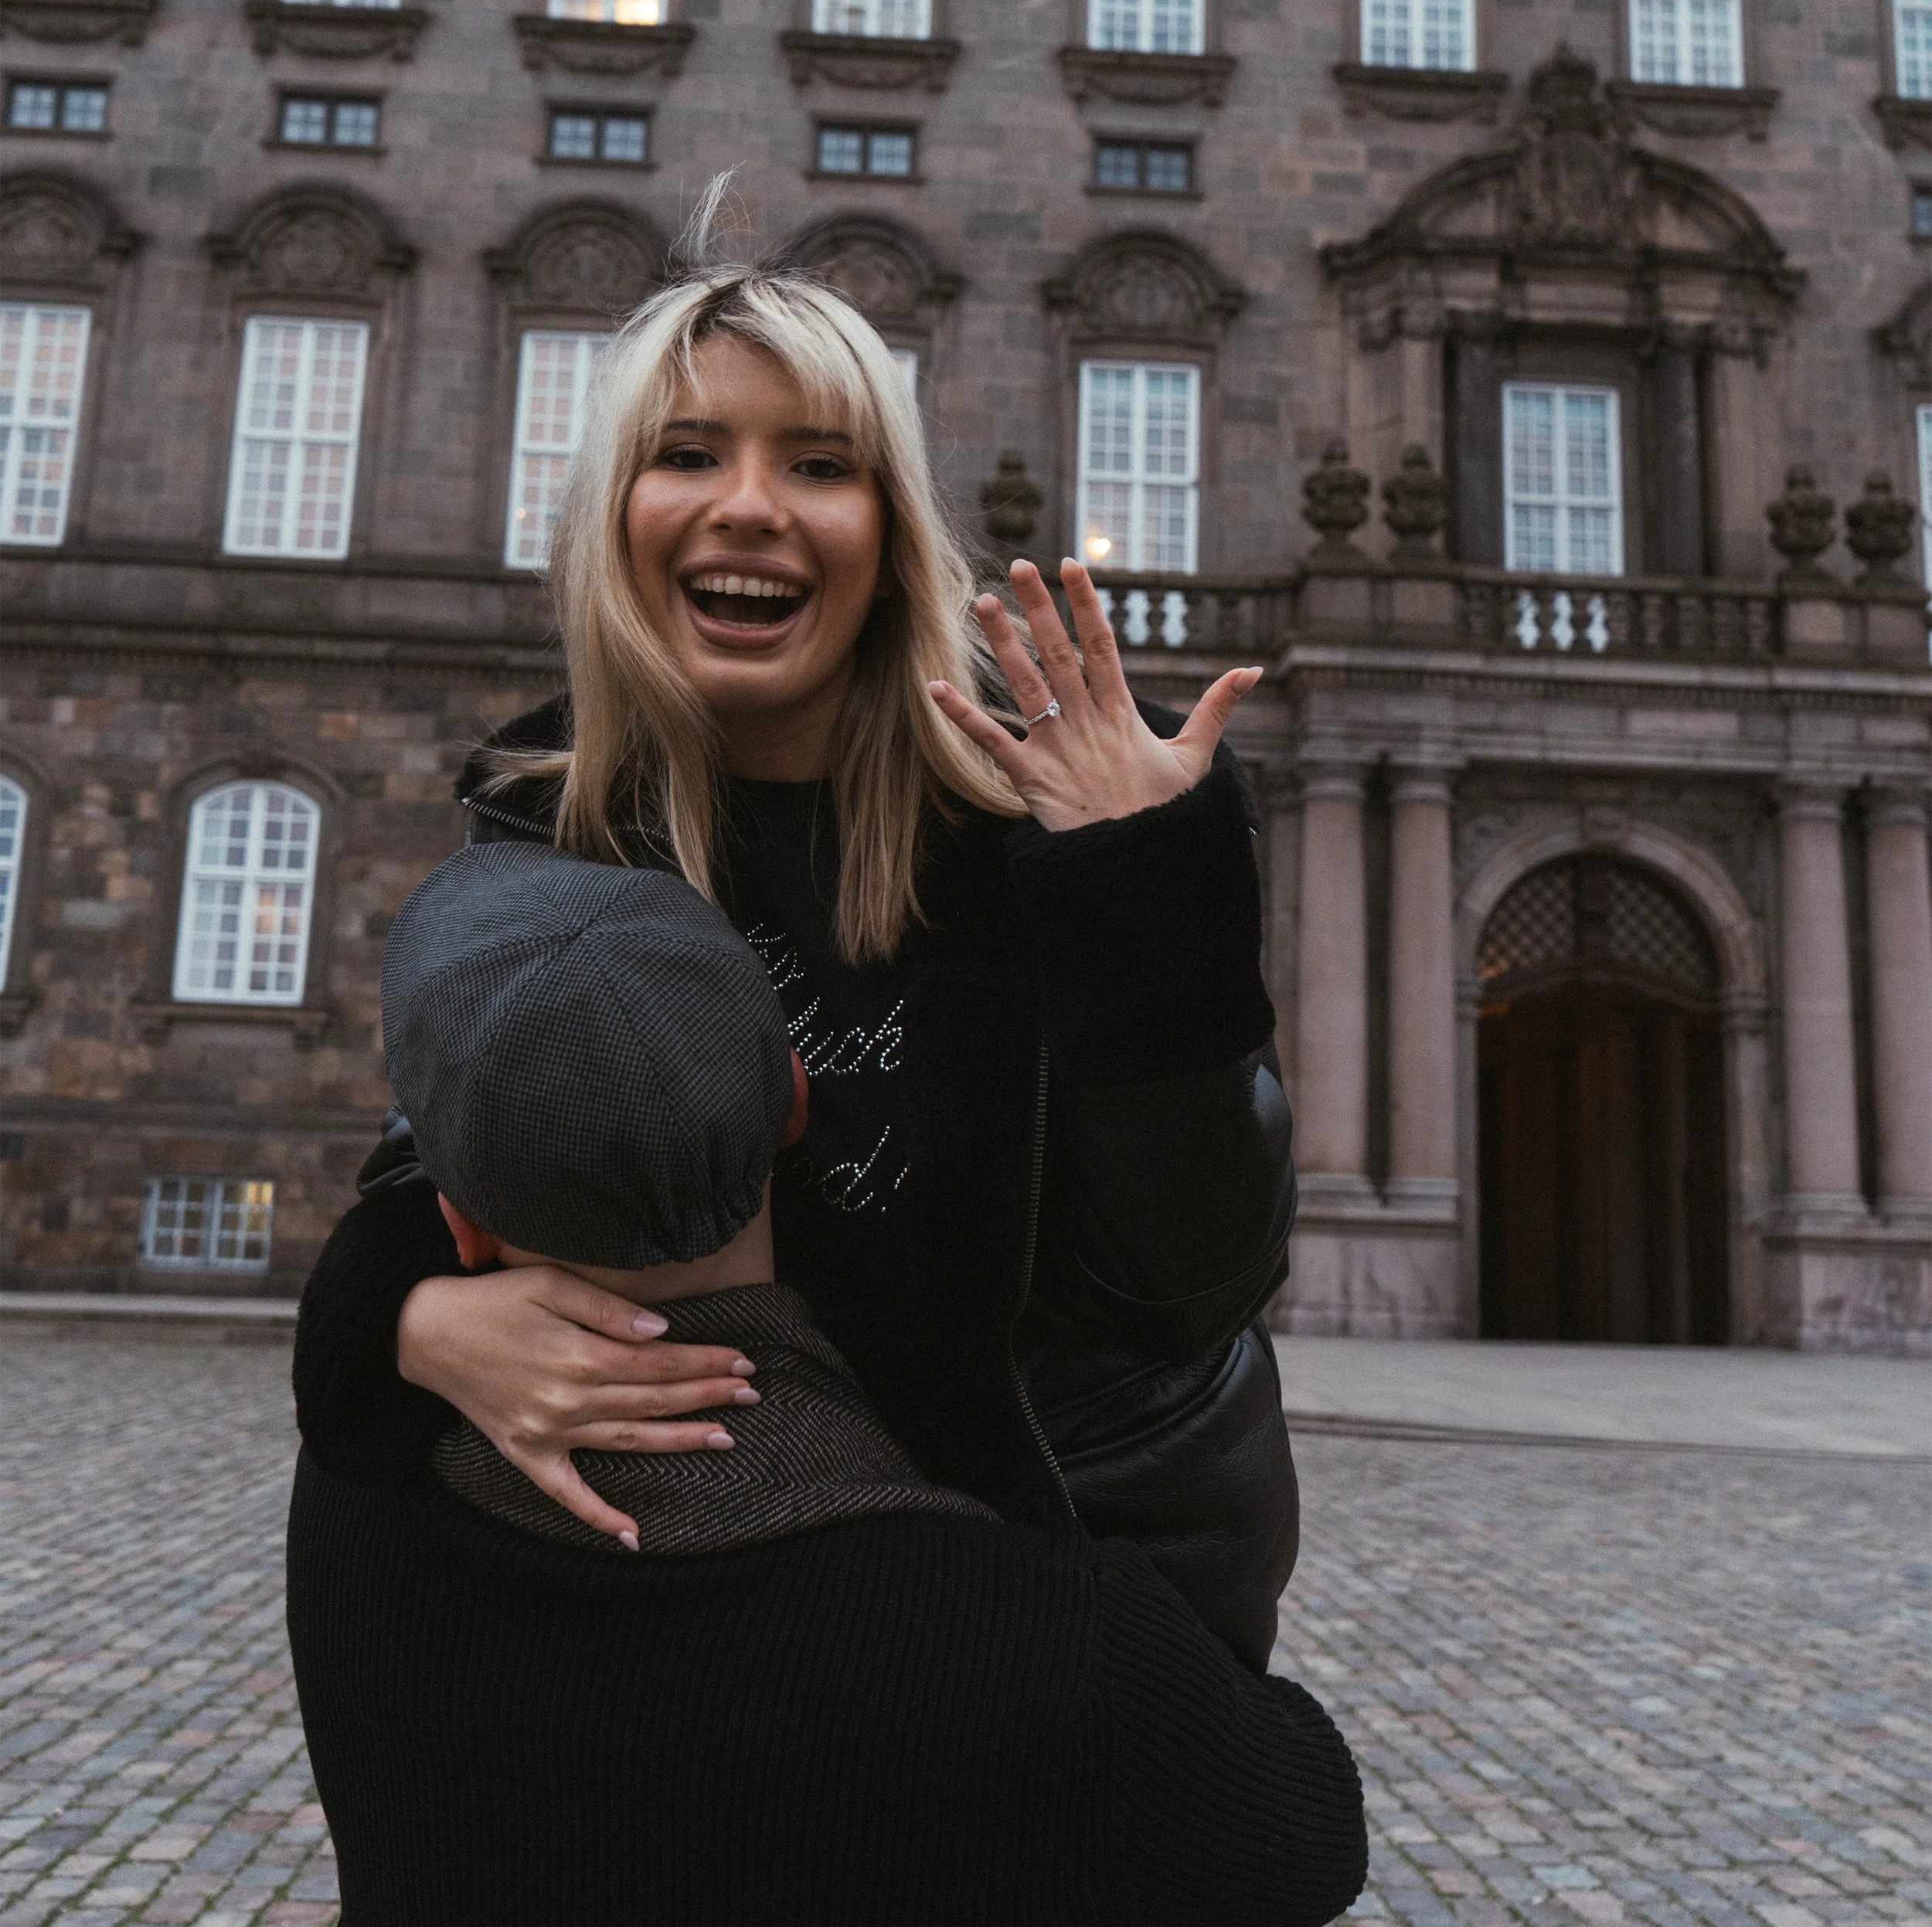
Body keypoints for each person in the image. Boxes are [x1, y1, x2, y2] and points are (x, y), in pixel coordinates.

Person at [293, 203, 1300, 1670]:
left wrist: (1139, 891)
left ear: (889, 536)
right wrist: (410, 1320)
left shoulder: (1074, 797)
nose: (751, 507)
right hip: (747, 1543)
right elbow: (436, 1165)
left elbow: (1194, 1284)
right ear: (612, 516)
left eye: (820, 465)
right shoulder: (554, 813)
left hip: (1078, 1547)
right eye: (688, 454)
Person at [287, 839, 1368, 1927]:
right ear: (797, 1103)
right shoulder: (1030, 1640)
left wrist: (393, 1304)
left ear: (458, 1219)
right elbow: (1310, 1834)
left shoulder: (352, 1490)